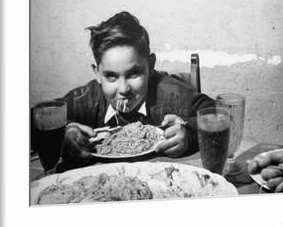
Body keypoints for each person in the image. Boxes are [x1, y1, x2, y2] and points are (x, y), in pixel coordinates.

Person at [62, 11, 214, 165]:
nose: (123, 89)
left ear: (150, 66)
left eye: (133, 73)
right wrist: (66, 132)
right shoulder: (89, 97)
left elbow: (219, 113)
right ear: (97, 74)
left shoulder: (169, 93)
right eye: (111, 76)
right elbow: (40, 118)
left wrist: (189, 134)